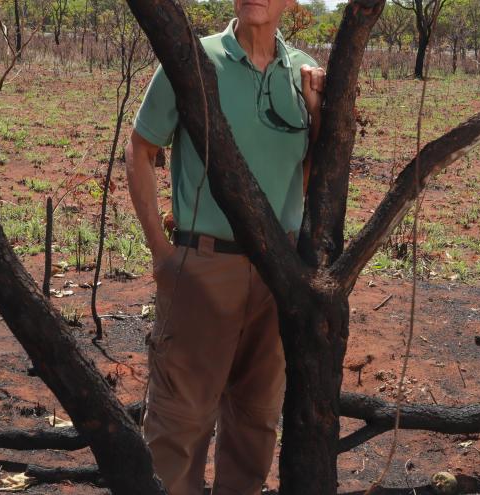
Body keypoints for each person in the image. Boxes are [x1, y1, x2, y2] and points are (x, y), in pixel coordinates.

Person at [124, 0, 325, 491]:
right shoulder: (193, 60)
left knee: (256, 421)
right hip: (204, 268)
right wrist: (163, 254)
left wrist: (319, 115)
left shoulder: (301, 74)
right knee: (179, 423)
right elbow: (141, 150)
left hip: (279, 276)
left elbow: (306, 173)